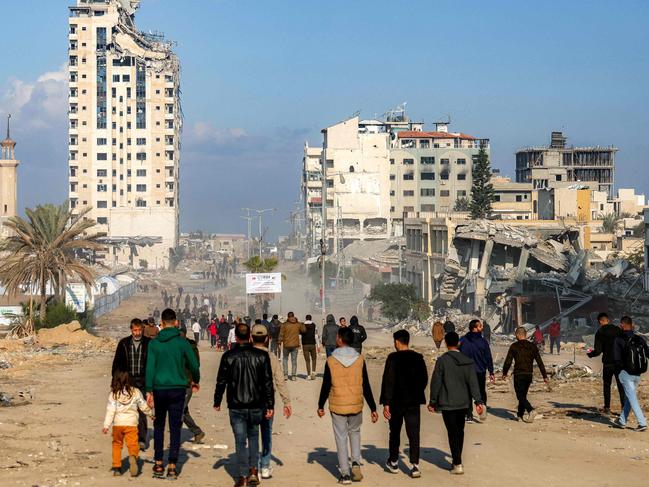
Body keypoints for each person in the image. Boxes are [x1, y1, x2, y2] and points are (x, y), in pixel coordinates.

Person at [213, 323, 275, 487]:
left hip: (236, 405)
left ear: (236, 337)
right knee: (253, 437)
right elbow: (268, 382)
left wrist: (217, 401)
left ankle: (242, 476)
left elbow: (221, 381)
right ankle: (253, 470)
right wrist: (270, 405)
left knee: (240, 441)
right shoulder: (261, 356)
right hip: (256, 404)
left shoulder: (228, 356)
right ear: (249, 337)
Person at [317, 327, 378, 485]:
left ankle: (344, 474)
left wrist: (320, 405)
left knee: (341, 438)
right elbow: (366, 384)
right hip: (356, 404)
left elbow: (326, 385)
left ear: (339, 339)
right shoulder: (360, 359)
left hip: (337, 405)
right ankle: (356, 463)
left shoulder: (331, 360)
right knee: (355, 433)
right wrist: (373, 408)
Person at [145, 308, 201, 479]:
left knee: (159, 426)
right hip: (177, 389)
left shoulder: (154, 343)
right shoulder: (182, 343)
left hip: (159, 389)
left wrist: (148, 390)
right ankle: (172, 466)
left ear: (161, 323)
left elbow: (149, 368)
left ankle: (158, 464)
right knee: (175, 427)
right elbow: (194, 365)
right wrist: (195, 380)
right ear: (176, 322)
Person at [428, 332, 485, 475]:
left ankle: (457, 462)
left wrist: (433, 401)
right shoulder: (467, 361)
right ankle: (457, 459)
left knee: (452, 432)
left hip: (447, 403)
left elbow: (436, 382)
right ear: (458, 343)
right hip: (463, 404)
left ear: (446, 343)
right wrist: (478, 401)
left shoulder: (442, 361)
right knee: (460, 431)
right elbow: (473, 383)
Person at [380, 330, 428, 479]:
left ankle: (394, 461)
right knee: (414, 433)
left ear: (397, 342)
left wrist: (386, 403)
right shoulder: (418, 358)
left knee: (394, 431)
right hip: (413, 402)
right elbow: (424, 379)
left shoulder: (392, 358)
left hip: (396, 401)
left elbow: (388, 381)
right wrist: (416, 391)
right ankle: (415, 466)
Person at [251, 322, 292, 479]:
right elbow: (280, 381)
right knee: (266, 433)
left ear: (251, 338)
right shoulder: (272, 357)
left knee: (252, 434)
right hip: (267, 402)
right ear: (267, 339)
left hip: (250, 402)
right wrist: (286, 402)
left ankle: (253, 467)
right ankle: (266, 466)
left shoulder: (246, 356)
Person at [103, 371, 154, 477]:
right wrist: (150, 414)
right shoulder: (135, 392)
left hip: (118, 424)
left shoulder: (114, 394)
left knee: (117, 445)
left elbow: (110, 411)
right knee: (133, 444)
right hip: (131, 424)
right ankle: (133, 456)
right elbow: (143, 405)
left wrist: (106, 425)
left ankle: (117, 467)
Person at [111, 319, 151, 450]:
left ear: (142, 329)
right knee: (126, 409)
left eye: (139, 330)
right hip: (128, 381)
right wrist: (115, 382)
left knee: (142, 409)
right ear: (131, 330)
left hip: (143, 380)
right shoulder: (123, 344)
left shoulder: (149, 343)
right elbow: (116, 364)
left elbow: (152, 365)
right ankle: (128, 435)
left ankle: (141, 438)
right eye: (135, 330)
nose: (137, 333)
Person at [502, 327, 549, 423]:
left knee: (520, 396)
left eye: (516, 335)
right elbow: (540, 362)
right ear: (526, 335)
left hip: (519, 374)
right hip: (528, 374)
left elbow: (508, 361)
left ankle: (531, 410)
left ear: (518, 335)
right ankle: (520, 415)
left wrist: (504, 373)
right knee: (523, 395)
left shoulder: (514, 346)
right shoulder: (532, 346)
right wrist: (545, 376)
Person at [612, 316, 649, 431]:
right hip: (637, 373)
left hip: (625, 373)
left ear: (622, 325)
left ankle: (642, 423)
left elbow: (616, 358)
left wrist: (619, 371)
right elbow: (648, 354)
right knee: (629, 397)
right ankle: (622, 421)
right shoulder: (640, 339)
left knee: (632, 398)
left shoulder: (618, 339)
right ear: (632, 325)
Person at [587, 312, 625, 415]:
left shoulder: (600, 332)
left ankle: (607, 408)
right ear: (608, 320)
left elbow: (598, 351)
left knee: (607, 385)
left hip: (608, 363)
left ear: (600, 321)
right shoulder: (618, 330)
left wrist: (590, 353)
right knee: (621, 386)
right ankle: (623, 409)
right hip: (619, 363)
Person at [459, 319, 494, 423]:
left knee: (468, 393)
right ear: (474, 328)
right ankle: (482, 412)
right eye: (480, 326)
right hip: (479, 371)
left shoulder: (463, 340)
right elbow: (488, 357)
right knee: (481, 392)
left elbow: (458, 355)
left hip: (466, 371)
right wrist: (491, 371)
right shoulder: (483, 341)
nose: (482, 328)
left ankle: (469, 415)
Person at [179, 327, 206, 444]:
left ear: (184, 335)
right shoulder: (175, 348)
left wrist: (195, 380)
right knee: (183, 411)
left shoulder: (191, 348)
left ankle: (175, 439)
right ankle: (197, 432)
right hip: (176, 384)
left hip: (187, 384)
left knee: (179, 410)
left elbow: (196, 365)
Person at [278, 312, 306, 381]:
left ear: (288, 317)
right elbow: (304, 331)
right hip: (295, 345)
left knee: (285, 359)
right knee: (294, 361)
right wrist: (301, 324)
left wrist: (279, 342)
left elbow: (281, 334)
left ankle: (285, 375)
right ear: (293, 316)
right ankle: (293, 376)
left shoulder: (284, 325)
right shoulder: (298, 324)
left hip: (286, 345)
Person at [301, 314, 319, 380]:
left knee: (307, 360)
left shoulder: (302, 325)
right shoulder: (314, 325)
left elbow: (300, 336)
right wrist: (318, 345)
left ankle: (308, 375)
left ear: (306, 318)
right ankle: (313, 373)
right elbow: (316, 335)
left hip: (305, 344)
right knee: (314, 359)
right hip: (312, 344)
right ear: (311, 318)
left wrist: (300, 344)